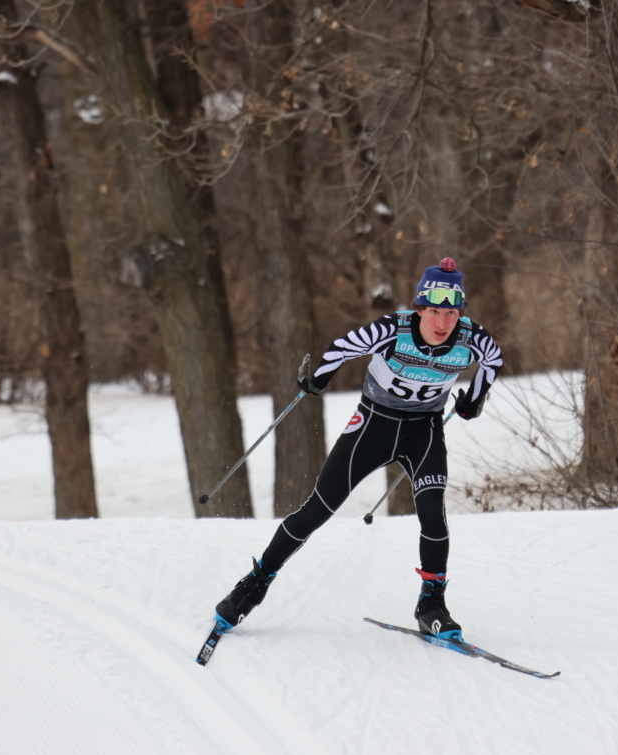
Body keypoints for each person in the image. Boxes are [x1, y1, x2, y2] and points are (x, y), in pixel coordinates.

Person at [212, 257, 503, 640]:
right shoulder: (393, 329)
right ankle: (254, 583)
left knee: (433, 512)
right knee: (317, 510)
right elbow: (343, 347)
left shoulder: (471, 338)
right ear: (420, 308)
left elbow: (493, 359)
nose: (442, 322)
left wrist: (474, 400)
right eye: (434, 310)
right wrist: (317, 379)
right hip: (373, 426)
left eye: (451, 312)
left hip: (424, 432)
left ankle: (432, 604)